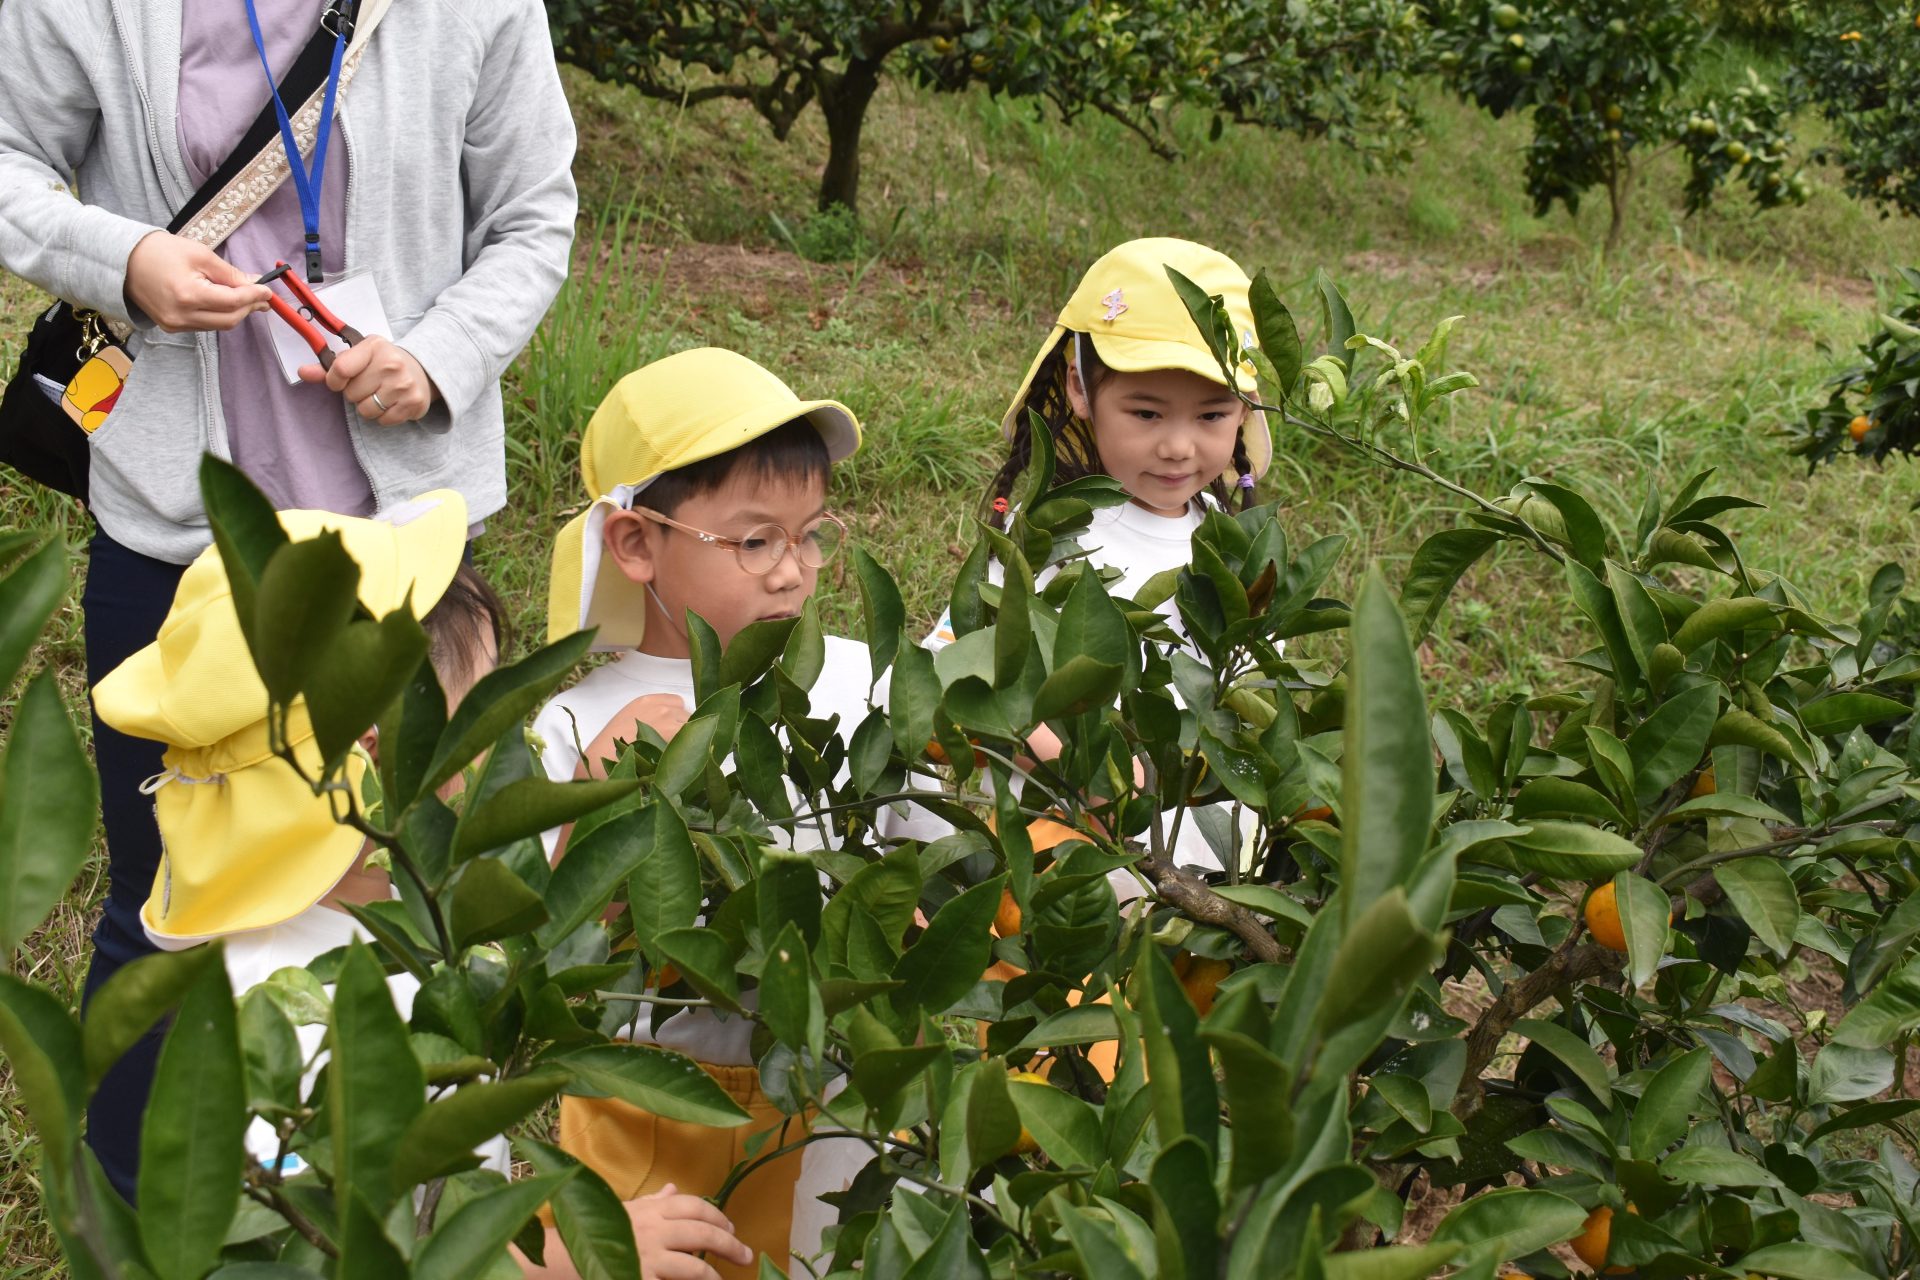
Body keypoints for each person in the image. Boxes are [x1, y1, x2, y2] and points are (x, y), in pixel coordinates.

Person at [0, 0, 578, 1196]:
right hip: (183, 535)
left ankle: (374, 1197)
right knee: (164, 895)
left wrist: (439, 356)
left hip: (400, 543)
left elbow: (534, 214)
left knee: (399, 872)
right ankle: (136, 1216)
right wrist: (125, 260)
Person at [90, 494, 752, 1280]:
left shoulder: (398, 879)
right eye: (482, 703)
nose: (510, 728)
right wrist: (580, 1260)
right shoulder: (285, 1018)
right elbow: (357, 1254)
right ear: (381, 746)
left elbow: (537, 939)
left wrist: (601, 808)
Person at [533, 347, 940, 1279]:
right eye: (755, 541)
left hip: (831, 1082)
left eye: (810, 535)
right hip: (648, 1103)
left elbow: (918, 857)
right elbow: (547, 949)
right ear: (637, 543)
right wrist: (599, 801)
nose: (793, 572)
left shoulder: (849, 675)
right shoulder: (575, 719)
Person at [926, 237, 1274, 882]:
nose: (1177, 446)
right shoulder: (1054, 534)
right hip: (1071, 830)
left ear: (1246, 409)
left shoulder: (1225, 533)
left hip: (1197, 831)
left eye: (1212, 415)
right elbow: (953, 673)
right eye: (1145, 412)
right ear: (1080, 390)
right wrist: (1069, 763)